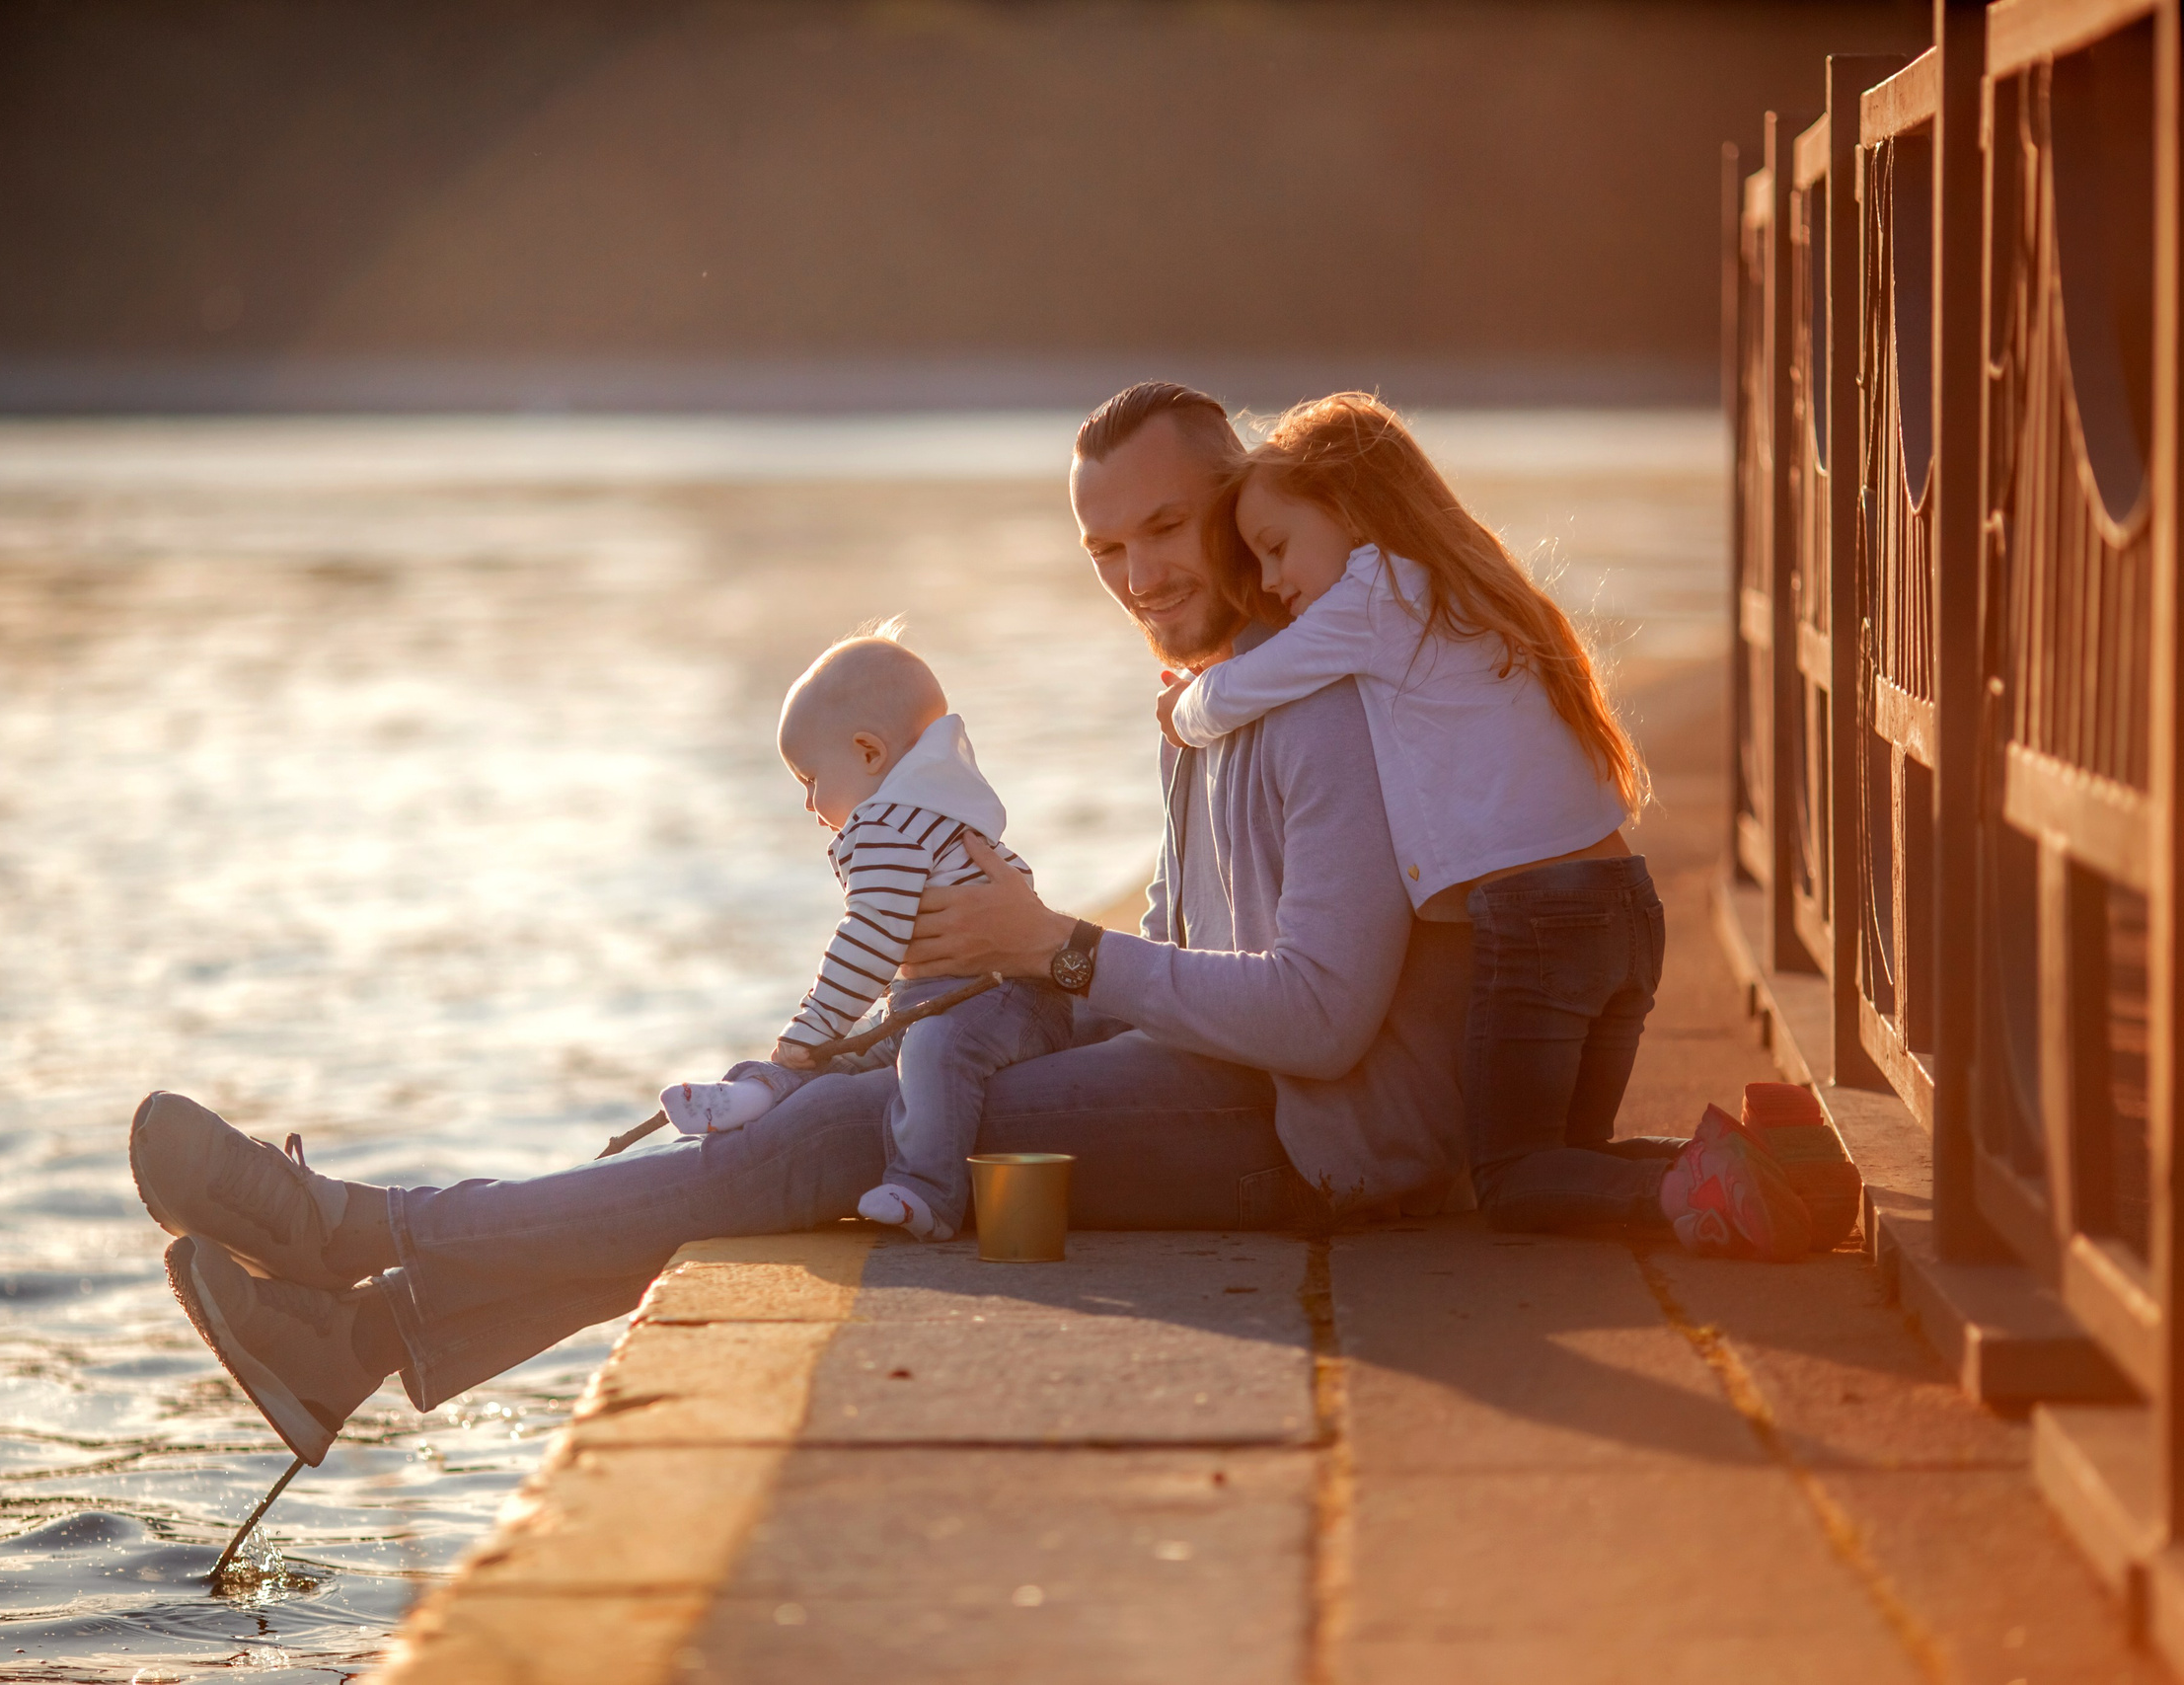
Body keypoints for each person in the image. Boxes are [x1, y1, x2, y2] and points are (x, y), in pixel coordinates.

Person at [130, 381, 1474, 1468]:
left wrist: (1052, 948)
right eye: (1105, 550)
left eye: (1165, 529)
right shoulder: (1210, 701)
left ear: (1240, 500)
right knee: (837, 1096)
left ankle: (357, 1228)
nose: (1137, 575)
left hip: (1306, 1140)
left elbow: (1324, 1016)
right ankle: (354, 1344)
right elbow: (1173, 959)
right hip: (1218, 1090)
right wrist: (969, 992)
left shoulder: (1314, 701)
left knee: (842, 1135)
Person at [1160, 391, 1807, 1261]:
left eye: (1276, 547)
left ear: (1347, 505)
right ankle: (1780, 1163)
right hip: (1625, 907)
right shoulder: (1464, 587)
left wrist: (1180, 709)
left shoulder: (1376, 594)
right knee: (1569, 1158)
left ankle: (1706, 1185)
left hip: (1542, 923)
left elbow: (1245, 685)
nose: (1271, 581)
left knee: (1514, 1178)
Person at [655, 622, 1072, 1243]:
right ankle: (759, 1091)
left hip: (1005, 1000)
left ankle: (927, 1192)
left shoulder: (887, 823)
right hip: (952, 998)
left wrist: (815, 1023)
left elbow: (871, 935)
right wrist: (825, 1036)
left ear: (869, 754)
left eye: (810, 780)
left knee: (931, 1050)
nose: (808, 804)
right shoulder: (927, 812)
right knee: (856, 1050)